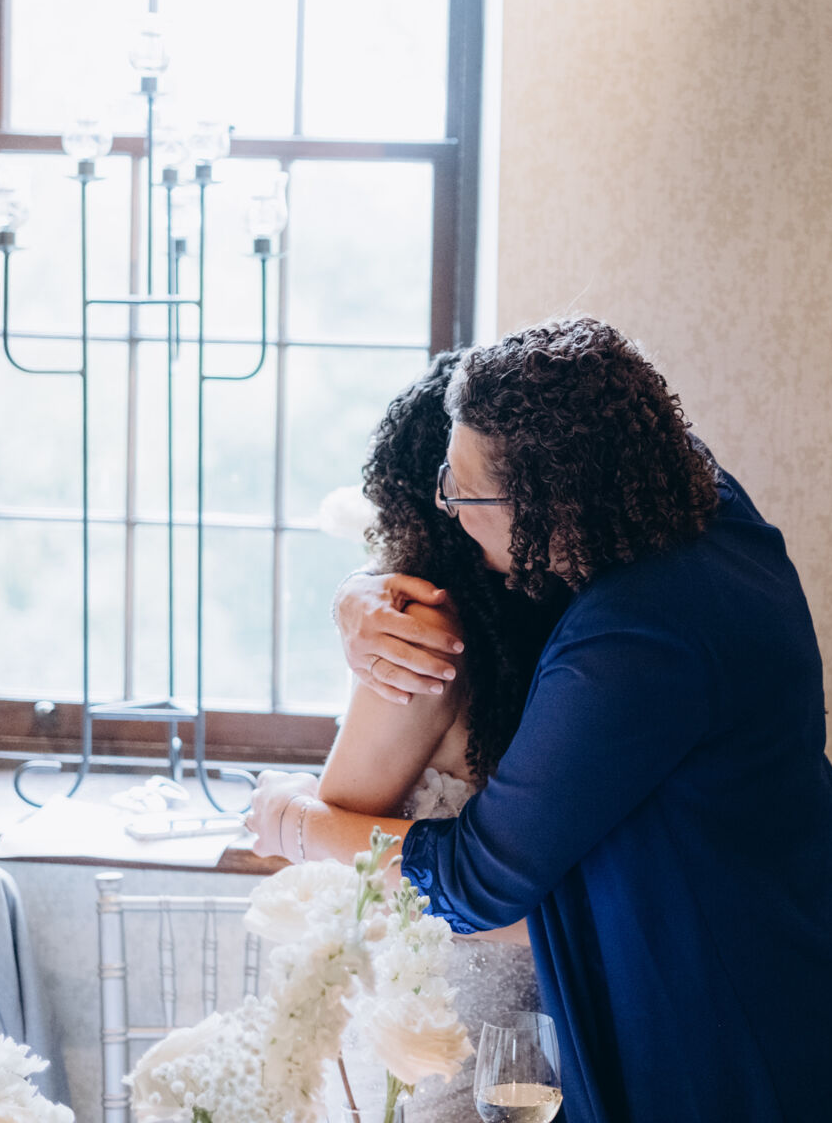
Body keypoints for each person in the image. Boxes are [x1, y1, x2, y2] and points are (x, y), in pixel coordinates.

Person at [249, 318, 832, 1123]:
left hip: (768, 1028)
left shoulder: (631, 641)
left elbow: (478, 882)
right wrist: (356, 594)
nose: (450, 511)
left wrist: (293, 822)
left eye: (464, 494)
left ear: (548, 504)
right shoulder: (699, 500)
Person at [257, 349, 566, 1121]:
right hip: (545, 1029)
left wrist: (287, 815)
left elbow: (347, 874)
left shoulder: (423, 638)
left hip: (440, 1023)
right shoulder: (562, 633)